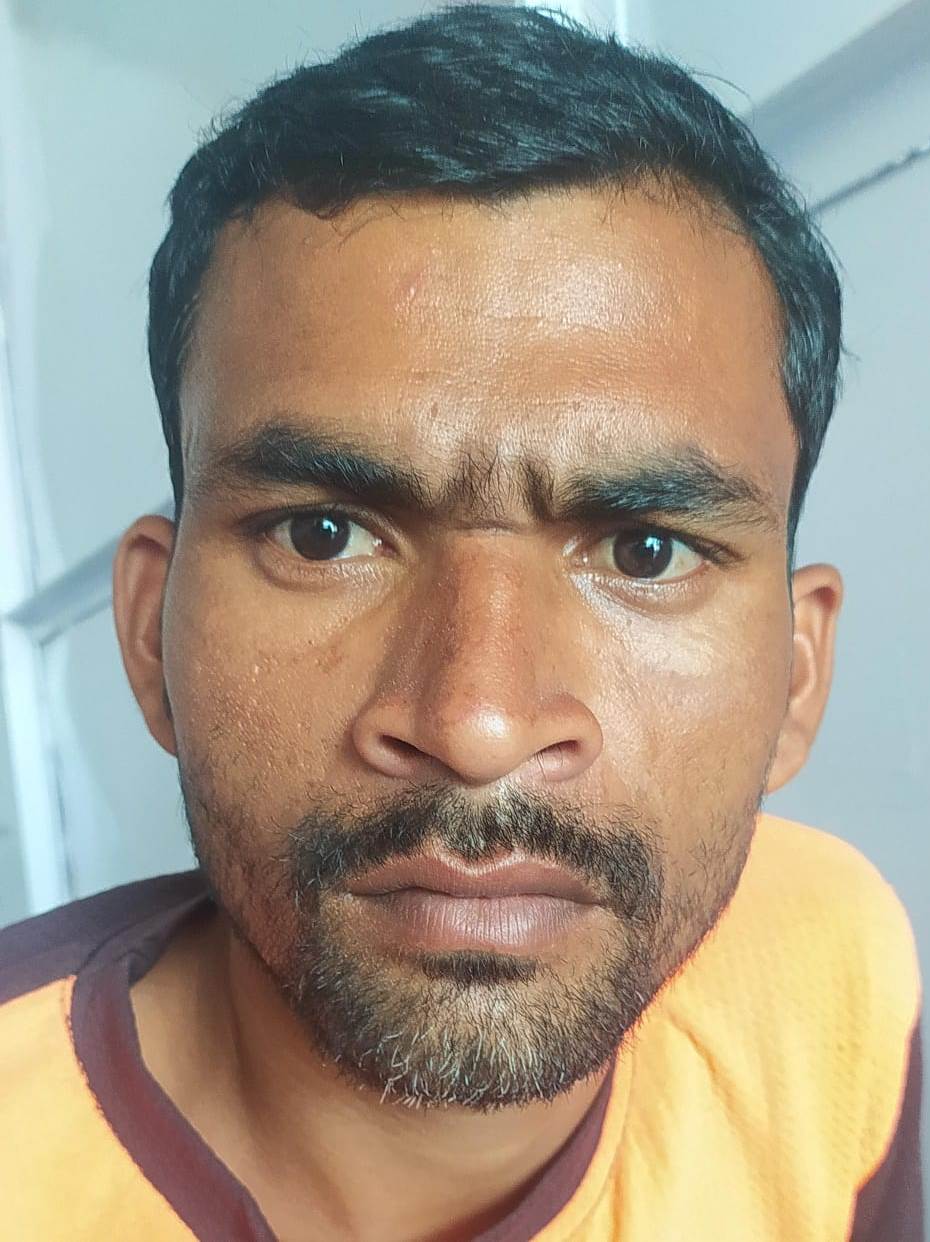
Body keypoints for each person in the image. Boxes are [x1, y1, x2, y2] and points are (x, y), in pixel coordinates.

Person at [0, 4, 922, 1239]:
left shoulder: (829, 965)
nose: (478, 723)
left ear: (798, 676)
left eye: (644, 551)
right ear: (150, 632)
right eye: (323, 534)